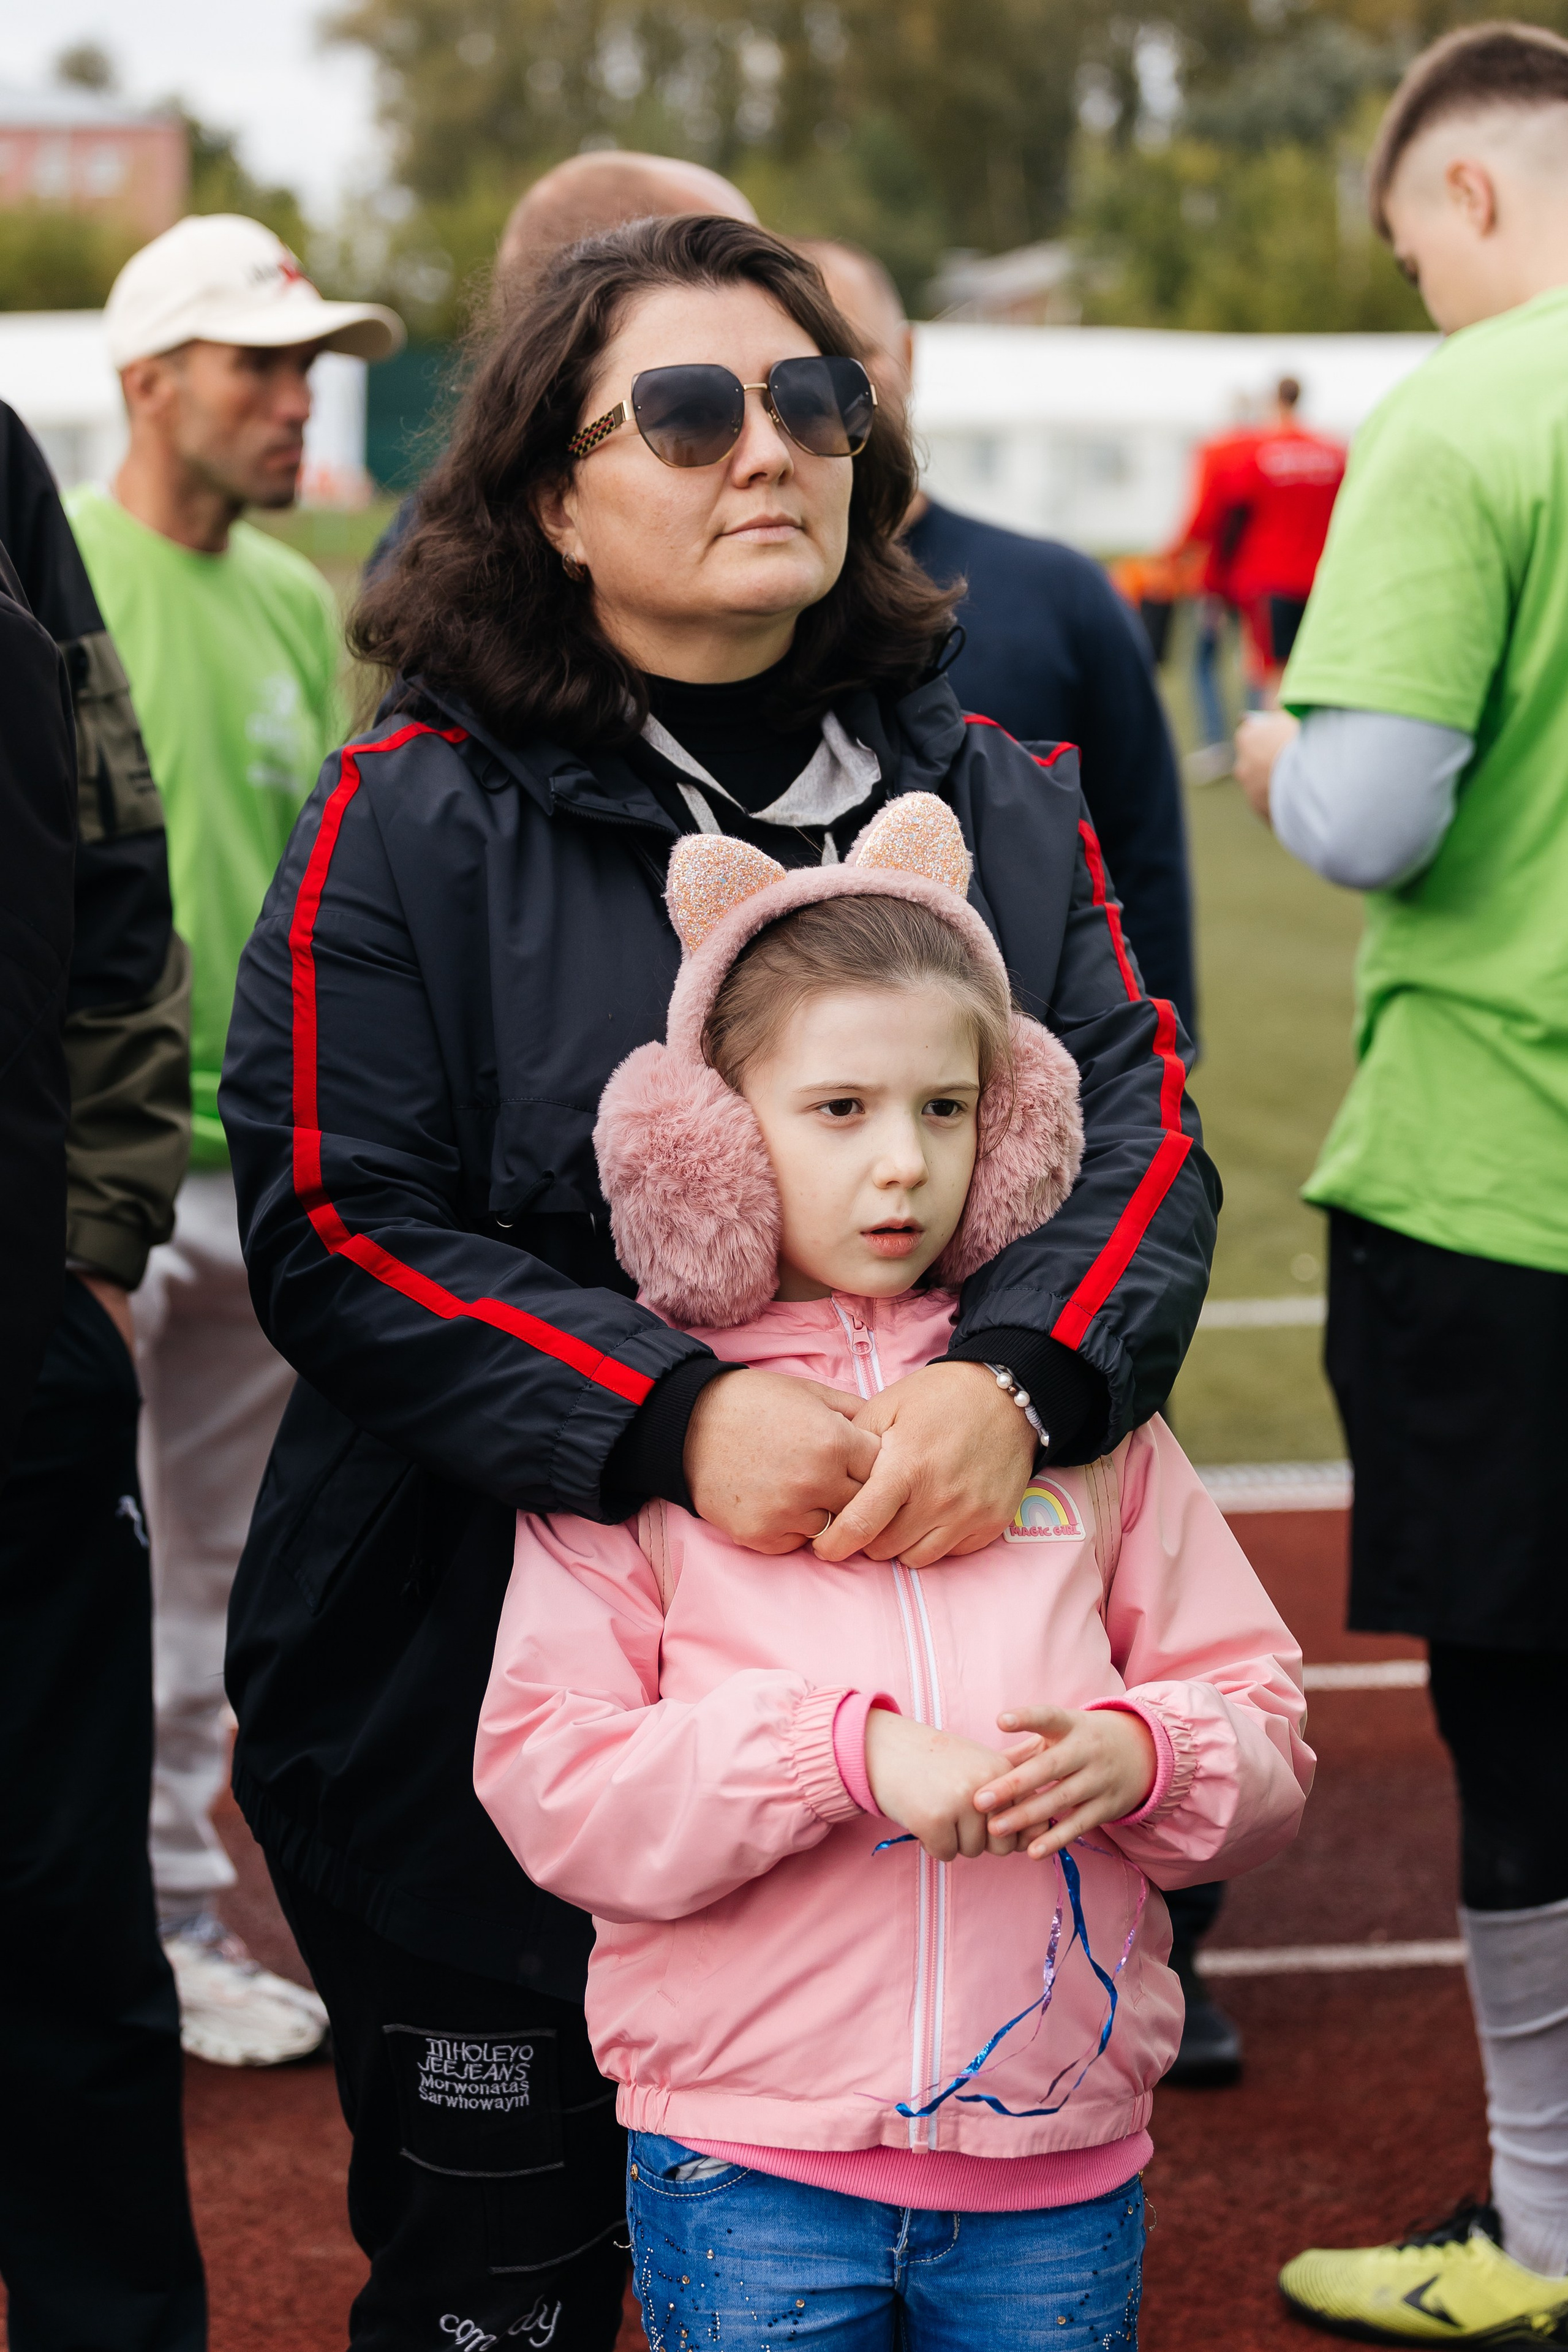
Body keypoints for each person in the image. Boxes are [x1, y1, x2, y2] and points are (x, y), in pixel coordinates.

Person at [220, 214, 1219, 2345]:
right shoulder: (407, 817)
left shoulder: (1000, 804)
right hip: (460, 1694)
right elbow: (338, 1218)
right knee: (502, 2286)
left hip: (925, 1749)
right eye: (685, 410)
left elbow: (1144, 1153)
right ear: (556, 496)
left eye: (810, 400)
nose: (764, 449)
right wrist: (670, 1418)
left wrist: (1026, 1383)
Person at [475, 799, 1312, 2350]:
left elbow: (1259, 1725)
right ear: (709, 1143)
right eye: (840, 1108)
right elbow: (553, 1781)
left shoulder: (1085, 1431)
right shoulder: (643, 1450)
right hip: (745, 2165)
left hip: (1056, 2167)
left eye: (945, 1110)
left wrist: (1149, 1751)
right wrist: (840, 1752)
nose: (903, 1165)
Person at [1230, 24, 1568, 2343]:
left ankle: (1543, 2237)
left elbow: (1369, 818)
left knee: (1530, 1735)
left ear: (1459, 199)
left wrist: (1262, 741)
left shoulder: (1463, 406)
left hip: (1500, 1178)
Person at [809, 237, 1234, 2079]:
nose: (827, 404)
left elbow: (1136, 876)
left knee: (1106, 1583)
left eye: (852, 361)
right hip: (823, 1265)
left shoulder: (1050, 591)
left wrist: (1126, 1190)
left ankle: (1159, 1933)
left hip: (1043, 1243)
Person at [66, 211, 402, 2067]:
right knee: (68, 1560)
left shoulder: (293, 597)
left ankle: (175, 1922)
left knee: (209, 1570)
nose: (298, 399)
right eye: (259, 365)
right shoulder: (59, 578)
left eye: (310, 364)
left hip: (258, 1170)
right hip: (86, 1182)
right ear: (149, 382)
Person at [0, 404, 205, 2350]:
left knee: (66, 1935)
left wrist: (94, 1237)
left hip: (21, 1354)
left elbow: (116, 854)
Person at [803, 238, 1196, 1033]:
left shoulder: (1064, 593)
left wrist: (1157, 1062)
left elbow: (1142, 853)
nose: (829, 388)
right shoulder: (737, 616)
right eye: (803, 365)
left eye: (859, 354)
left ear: (909, 356)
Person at [1168, 377, 1345, 709]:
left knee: (1269, 674)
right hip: (1321, 578)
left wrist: (1209, 572)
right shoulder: (1334, 452)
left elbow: (1222, 516)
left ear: (1273, 402)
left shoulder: (1254, 453)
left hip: (1269, 579)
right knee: (1312, 668)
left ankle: (1269, 744)